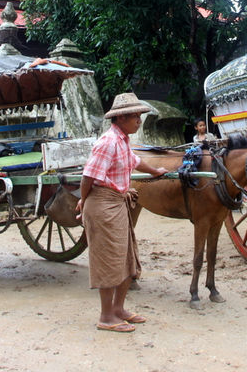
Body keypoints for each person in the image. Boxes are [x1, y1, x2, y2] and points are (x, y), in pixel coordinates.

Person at [76, 93, 168, 333]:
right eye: (135, 116)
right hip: (102, 205)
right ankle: (106, 316)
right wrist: (83, 202)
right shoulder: (108, 142)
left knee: (126, 257)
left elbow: (135, 161)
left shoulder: (123, 140)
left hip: (117, 203)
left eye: (139, 116)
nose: (139, 120)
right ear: (121, 118)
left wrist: (155, 171)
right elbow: (89, 176)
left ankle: (118, 309)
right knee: (108, 259)